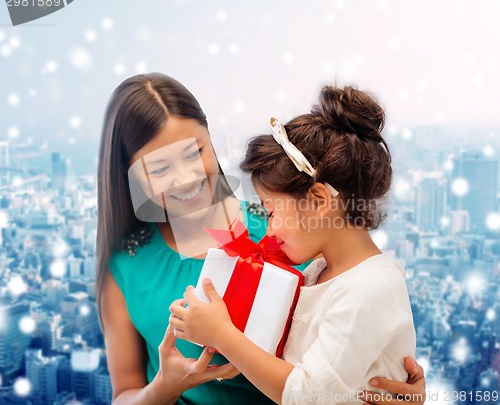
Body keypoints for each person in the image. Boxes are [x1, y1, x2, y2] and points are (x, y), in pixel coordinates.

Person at [96, 73, 426, 404]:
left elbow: (349, 348)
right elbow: (125, 392)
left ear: (210, 137)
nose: (185, 179)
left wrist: (399, 384)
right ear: (130, 174)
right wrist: (166, 385)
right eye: (159, 169)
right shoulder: (127, 265)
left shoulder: (296, 236)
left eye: (194, 153)